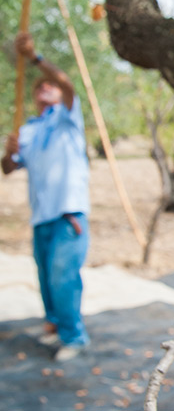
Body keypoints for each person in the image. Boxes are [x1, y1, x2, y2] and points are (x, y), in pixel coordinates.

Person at [2, 32, 90, 361]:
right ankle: (55, 328)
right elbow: (9, 169)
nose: (45, 88)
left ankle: (75, 337)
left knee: (63, 275)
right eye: (39, 87)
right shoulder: (28, 129)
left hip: (69, 212)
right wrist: (8, 154)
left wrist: (34, 58)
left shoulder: (68, 118)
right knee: (45, 276)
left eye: (48, 85)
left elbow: (66, 82)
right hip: (41, 216)